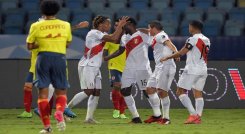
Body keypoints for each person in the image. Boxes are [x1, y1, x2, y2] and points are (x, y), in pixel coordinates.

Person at [64, 16, 128, 123]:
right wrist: (120, 26)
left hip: (95, 66)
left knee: (96, 92)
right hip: (88, 65)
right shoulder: (94, 33)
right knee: (88, 91)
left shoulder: (102, 35)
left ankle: (89, 118)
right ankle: (65, 109)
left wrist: (122, 29)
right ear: (100, 25)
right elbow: (113, 38)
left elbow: (116, 39)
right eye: (107, 24)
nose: (109, 26)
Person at [26, 0, 72, 133]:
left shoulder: (35, 25)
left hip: (43, 58)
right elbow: (67, 44)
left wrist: (42, 43)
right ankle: (59, 111)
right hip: (59, 58)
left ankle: (47, 127)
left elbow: (30, 46)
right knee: (61, 91)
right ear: (57, 11)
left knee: (43, 94)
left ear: (42, 11)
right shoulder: (66, 25)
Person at [160, 20, 210, 124]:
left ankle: (193, 115)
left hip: (192, 69)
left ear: (194, 27)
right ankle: (198, 117)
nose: (189, 28)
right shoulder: (207, 39)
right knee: (198, 93)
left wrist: (168, 57)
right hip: (203, 69)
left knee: (180, 91)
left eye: (189, 26)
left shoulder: (192, 39)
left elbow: (182, 52)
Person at [105, 18, 152, 123]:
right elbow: (121, 50)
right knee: (124, 90)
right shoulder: (124, 37)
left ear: (130, 24)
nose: (121, 27)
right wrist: (107, 58)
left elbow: (153, 35)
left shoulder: (142, 34)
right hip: (128, 67)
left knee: (147, 91)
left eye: (123, 25)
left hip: (142, 67)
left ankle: (158, 114)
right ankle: (135, 117)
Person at [142, 21, 178, 125]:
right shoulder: (156, 36)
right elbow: (169, 43)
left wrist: (176, 53)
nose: (149, 30)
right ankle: (157, 116)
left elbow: (169, 43)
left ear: (154, 28)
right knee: (149, 89)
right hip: (159, 67)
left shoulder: (160, 35)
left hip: (166, 66)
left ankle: (166, 118)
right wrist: (139, 29)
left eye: (149, 28)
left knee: (162, 91)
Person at [103, 19, 127, 119]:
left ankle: (122, 112)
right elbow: (104, 53)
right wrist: (106, 58)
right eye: (115, 25)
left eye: (119, 25)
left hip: (126, 66)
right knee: (117, 86)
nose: (117, 27)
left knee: (125, 90)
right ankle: (116, 110)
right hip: (114, 65)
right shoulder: (110, 38)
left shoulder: (127, 38)